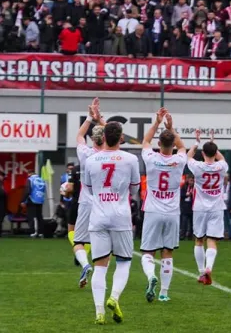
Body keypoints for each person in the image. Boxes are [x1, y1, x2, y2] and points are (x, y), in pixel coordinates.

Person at [83, 121, 140, 325]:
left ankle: (99, 312)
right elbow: (134, 189)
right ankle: (114, 297)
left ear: (103, 137)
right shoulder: (131, 159)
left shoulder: (91, 160)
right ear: (121, 138)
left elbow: (89, 188)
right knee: (124, 261)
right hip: (120, 217)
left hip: (98, 216)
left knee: (100, 266)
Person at [140, 108, 187, 303]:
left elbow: (145, 142)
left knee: (148, 252)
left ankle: (151, 275)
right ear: (173, 145)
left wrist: (157, 122)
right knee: (167, 252)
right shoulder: (179, 160)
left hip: (153, 210)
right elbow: (183, 147)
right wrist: (171, 128)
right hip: (172, 212)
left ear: (158, 144)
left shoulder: (151, 159)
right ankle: (164, 293)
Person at [187, 129, 229, 286]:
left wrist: (196, 142)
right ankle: (209, 267)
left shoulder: (197, 166)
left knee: (199, 240)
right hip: (216, 207)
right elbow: (221, 158)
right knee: (212, 240)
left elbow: (188, 156)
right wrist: (213, 144)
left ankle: (201, 272)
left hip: (200, 207)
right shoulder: (222, 166)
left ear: (203, 153)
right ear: (215, 152)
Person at [71, 98, 105, 288]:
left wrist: (90, 117)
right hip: (105, 202)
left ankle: (85, 265)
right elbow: (114, 134)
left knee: (79, 241)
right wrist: (100, 119)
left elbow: (79, 135)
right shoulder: (111, 155)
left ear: (92, 139)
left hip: (86, 201)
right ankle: (101, 276)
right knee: (103, 242)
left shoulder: (85, 153)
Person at [22, 172, 47, 238]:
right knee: (39, 217)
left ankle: (33, 232)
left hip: (32, 200)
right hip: (40, 200)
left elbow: (27, 191)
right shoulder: (42, 180)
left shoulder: (30, 179)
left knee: (31, 217)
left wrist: (23, 200)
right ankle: (41, 232)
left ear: (30, 174)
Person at [179, 174, 194, 239]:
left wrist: (192, 195)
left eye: (192, 180)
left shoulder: (195, 187)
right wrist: (186, 195)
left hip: (192, 207)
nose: (191, 182)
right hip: (185, 206)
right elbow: (180, 195)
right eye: (190, 180)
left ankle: (190, 235)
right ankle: (182, 235)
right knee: (184, 222)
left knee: (192, 222)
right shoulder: (184, 187)